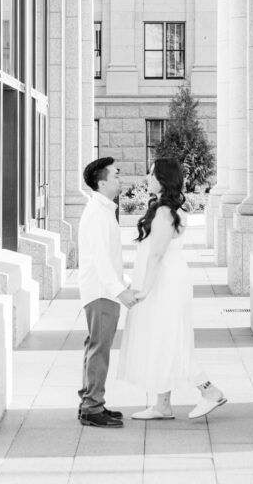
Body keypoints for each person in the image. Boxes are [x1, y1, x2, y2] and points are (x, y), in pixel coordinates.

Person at [116, 158, 227, 420]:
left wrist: (144, 290)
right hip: (165, 278)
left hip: (164, 282)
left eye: (152, 174)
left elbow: (157, 254)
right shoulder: (165, 209)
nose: (148, 178)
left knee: (170, 339)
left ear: (163, 179)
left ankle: (210, 391)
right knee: (162, 338)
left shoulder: (165, 212)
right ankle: (162, 404)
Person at [77, 156, 138, 428]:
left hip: (104, 290)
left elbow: (109, 258)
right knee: (99, 349)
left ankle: (90, 402)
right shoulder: (97, 213)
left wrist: (125, 283)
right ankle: (92, 407)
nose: (119, 179)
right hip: (101, 292)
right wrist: (120, 291)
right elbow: (101, 259)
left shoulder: (102, 210)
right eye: (115, 175)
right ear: (102, 183)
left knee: (95, 346)